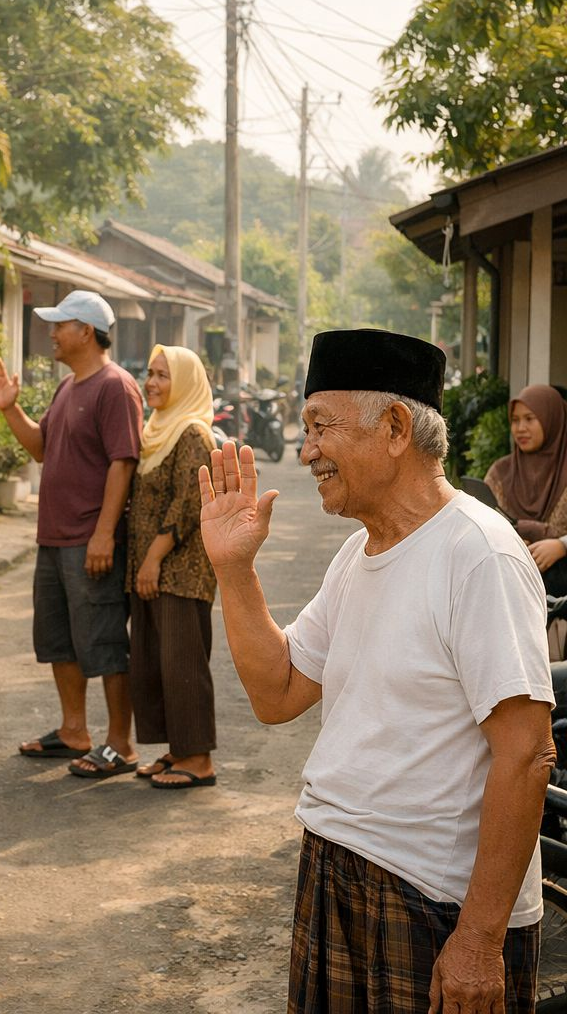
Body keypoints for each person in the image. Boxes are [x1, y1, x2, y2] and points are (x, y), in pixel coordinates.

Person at [199, 328, 555, 1013]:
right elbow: (278, 693)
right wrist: (234, 570)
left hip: (434, 898)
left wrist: (480, 938)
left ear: (394, 427)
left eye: (320, 427)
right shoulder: (357, 555)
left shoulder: (479, 555)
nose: (306, 451)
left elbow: (527, 753)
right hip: (337, 865)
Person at [0, 290, 143, 778]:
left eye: (60, 325)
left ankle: (121, 743)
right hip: (54, 538)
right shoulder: (69, 386)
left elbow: (123, 462)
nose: (51, 334)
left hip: (88, 538)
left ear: (87, 332)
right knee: (59, 640)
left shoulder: (115, 387)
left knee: (104, 641)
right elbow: (41, 448)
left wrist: (104, 534)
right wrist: (9, 409)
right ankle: (74, 730)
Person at [128, 345, 218, 789]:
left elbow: (188, 504)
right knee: (157, 666)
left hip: (181, 573)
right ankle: (178, 750)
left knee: (184, 666)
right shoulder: (156, 431)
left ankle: (198, 759)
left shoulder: (193, 433)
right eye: (150, 373)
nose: (152, 383)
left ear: (185, 382)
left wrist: (152, 559)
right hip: (153, 572)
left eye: (163, 375)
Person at [485, 384, 567, 595]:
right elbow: (484, 526)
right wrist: (511, 541)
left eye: (530, 419)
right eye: (515, 420)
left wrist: (562, 546)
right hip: (508, 588)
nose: (520, 428)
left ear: (552, 419)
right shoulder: (500, 472)